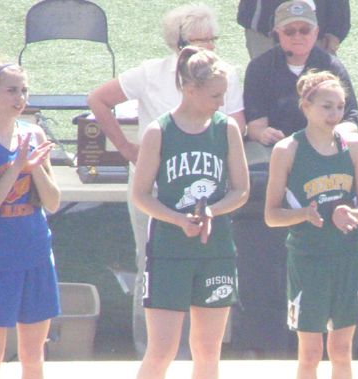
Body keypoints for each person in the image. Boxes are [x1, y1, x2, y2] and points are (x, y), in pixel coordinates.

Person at [87, 3, 245, 355]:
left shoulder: (225, 74)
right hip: (156, 187)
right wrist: (126, 148)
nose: (210, 47)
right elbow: (98, 99)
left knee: (211, 265)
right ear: (180, 42)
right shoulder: (150, 73)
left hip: (207, 187)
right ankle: (151, 349)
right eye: (202, 40)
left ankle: (208, 351)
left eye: (213, 39)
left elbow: (237, 122)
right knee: (151, 263)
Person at [132, 47, 249, 379]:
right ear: (189, 89)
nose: (221, 101)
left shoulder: (226, 128)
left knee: (208, 350)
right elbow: (141, 195)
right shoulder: (159, 131)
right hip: (169, 251)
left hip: (215, 249)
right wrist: (177, 219)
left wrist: (212, 210)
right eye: (215, 95)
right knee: (163, 349)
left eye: (223, 94)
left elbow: (241, 190)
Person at [265, 71, 358, 379]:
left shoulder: (353, 146)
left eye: (340, 107)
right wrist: (302, 214)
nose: (334, 114)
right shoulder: (287, 150)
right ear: (306, 106)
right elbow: (271, 216)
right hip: (308, 258)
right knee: (310, 353)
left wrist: (350, 213)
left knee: (342, 350)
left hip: (347, 256)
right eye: (327, 106)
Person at [0, 63, 59, 379]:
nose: (20, 98)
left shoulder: (34, 134)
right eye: (12, 90)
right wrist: (17, 167)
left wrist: (36, 168)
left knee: (33, 354)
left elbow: (53, 202)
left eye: (24, 90)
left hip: (36, 252)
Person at [243, 0, 358, 153]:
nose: (297, 36)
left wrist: (332, 138)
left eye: (304, 30)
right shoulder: (259, 68)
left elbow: (351, 120)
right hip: (277, 148)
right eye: (289, 31)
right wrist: (263, 134)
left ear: (316, 32)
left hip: (324, 145)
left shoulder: (332, 66)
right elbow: (255, 126)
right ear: (277, 33)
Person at [237, 0, 350, 59]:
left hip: (313, 31)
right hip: (263, 30)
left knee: (317, 90)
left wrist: (336, 29)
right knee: (264, 88)